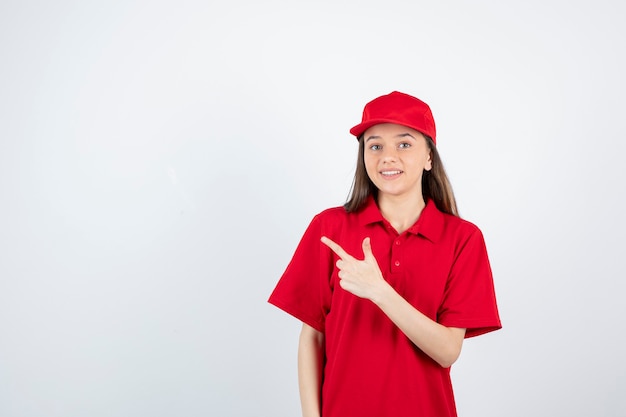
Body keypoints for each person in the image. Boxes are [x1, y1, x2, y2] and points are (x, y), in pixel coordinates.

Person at [268, 91, 501, 417]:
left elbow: (448, 351)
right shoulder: (330, 227)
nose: (387, 157)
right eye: (375, 145)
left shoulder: (463, 239)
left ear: (429, 157)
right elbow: (312, 338)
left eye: (404, 144)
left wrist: (380, 292)